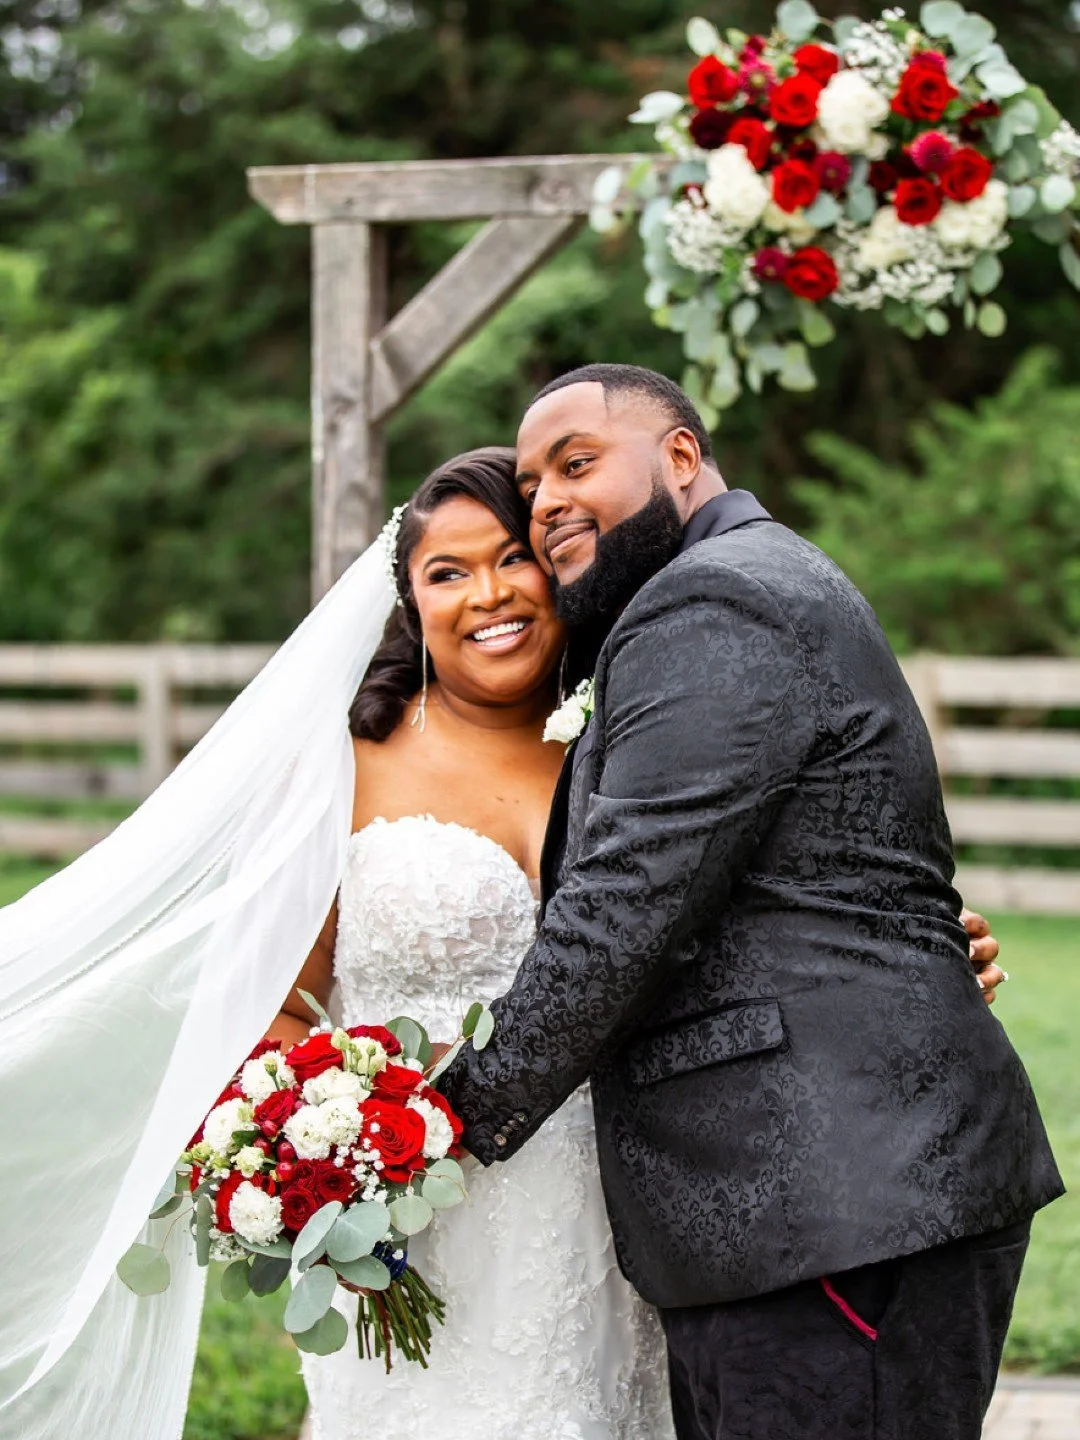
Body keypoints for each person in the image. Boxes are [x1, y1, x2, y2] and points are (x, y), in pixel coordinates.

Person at [0, 431, 1006, 1440]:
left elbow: (741, 914)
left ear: (559, 566)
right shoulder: (336, 771)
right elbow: (271, 1015)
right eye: (449, 572)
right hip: (431, 1223)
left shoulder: (642, 734)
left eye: (512, 558)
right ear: (410, 602)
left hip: (637, 1213)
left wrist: (905, 952)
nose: (488, 595)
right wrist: (332, 1144)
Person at [439, 364, 1064, 1440]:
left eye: (577, 462)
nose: (544, 501)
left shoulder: (713, 599)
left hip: (833, 1207)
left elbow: (624, 910)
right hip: (819, 1210)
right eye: (532, 480)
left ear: (681, 455)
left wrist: (437, 1119)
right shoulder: (741, 586)